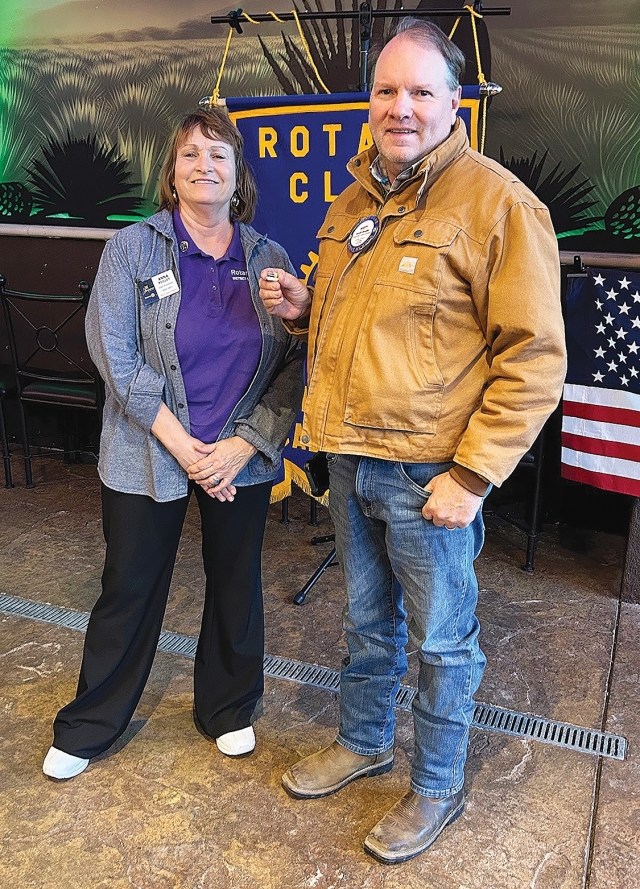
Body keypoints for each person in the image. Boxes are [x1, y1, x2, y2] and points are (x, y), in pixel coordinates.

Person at [259, 18, 567, 864]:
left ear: (453, 102)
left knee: (441, 640)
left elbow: (535, 358)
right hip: (348, 455)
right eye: (387, 91)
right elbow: (370, 325)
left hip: (431, 472)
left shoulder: (498, 202)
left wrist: (472, 476)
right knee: (365, 621)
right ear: (370, 102)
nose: (401, 107)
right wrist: (305, 310)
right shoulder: (354, 199)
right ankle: (365, 742)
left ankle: (436, 781)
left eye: (420, 91)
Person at [43, 107, 304, 780]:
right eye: (190, 155)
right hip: (150, 448)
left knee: (236, 584)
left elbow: (297, 365)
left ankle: (228, 708)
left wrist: (243, 446)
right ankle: (91, 722)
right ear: (172, 173)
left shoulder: (269, 259)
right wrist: (185, 446)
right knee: (128, 585)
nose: (204, 166)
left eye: (218, 155)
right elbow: (116, 357)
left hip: (238, 456)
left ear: (238, 174)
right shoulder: (131, 249)